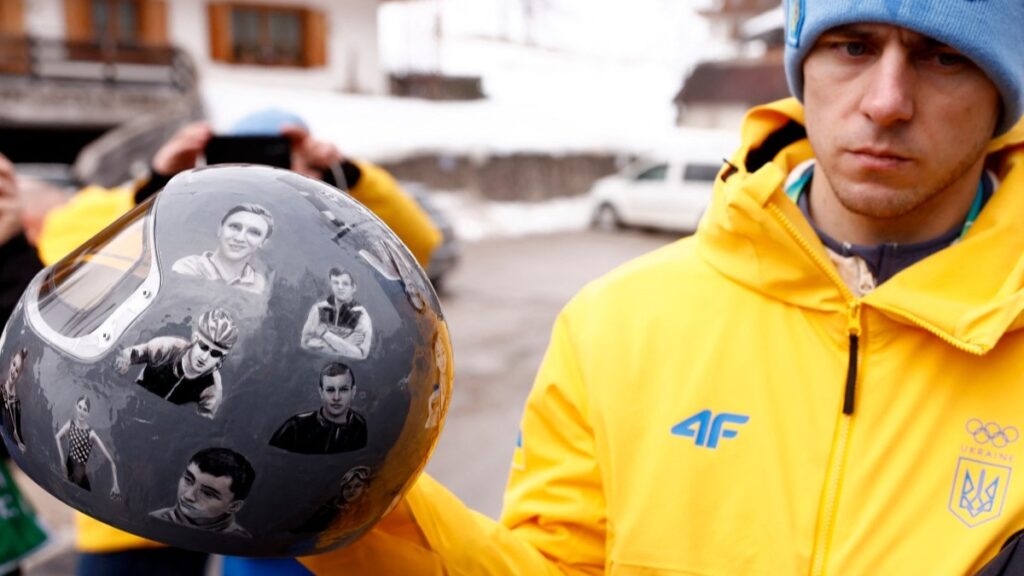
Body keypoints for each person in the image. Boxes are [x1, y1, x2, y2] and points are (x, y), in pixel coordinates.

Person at [297, 2, 1024, 575]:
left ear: (1004, 90)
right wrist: (340, 496)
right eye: (854, 46)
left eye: (945, 55)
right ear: (804, 63)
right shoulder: (617, 323)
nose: (887, 101)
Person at [37, 110, 443, 576]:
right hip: (133, 494)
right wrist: (160, 181)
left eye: (278, 155)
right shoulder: (184, 209)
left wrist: (344, 179)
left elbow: (419, 246)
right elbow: (65, 241)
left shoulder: (319, 237)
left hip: (260, 479)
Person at [113, 308, 238, 420]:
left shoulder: (212, 390)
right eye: (203, 346)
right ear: (194, 339)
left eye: (215, 353)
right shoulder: (167, 348)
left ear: (221, 360)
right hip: (132, 406)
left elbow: (202, 425)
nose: (205, 357)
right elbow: (130, 353)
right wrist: (124, 361)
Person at [149, 447, 255, 537]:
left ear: (234, 506)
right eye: (188, 480)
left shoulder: (239, 541)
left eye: (207, 493)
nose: (188, 496)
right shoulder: (153, 521)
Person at [172, 203, 274, 295]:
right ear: (220, 229)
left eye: (254, 232)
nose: (240, 238)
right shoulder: (188, 267)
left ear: (263, 243)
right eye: (235, 226)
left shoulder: (259, 284)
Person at [269, 362, 367, 455]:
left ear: (353, 392)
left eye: (343, 390)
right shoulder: (295, 427)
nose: (336, 397)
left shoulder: (359, 426)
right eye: (330, 390)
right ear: (321, 392)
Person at [299, 267, 373, 360]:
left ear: (353, 288)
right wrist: (345, 342)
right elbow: (305, 343)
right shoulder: (318, 309)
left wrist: (326, 335)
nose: (340, 287)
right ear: (331, 284)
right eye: (336, 282)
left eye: (345, 284)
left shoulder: (361, 315)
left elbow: (361, 354)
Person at [54, 396, 120, 499]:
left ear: (88, 414)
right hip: (67, 472)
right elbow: (57, 437)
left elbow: (111, 461)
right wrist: (62, 460)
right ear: (76, 406)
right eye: (80, 407)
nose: (81, 411)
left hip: (81, 480)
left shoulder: (91, 434)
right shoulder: (70, 424)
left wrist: (115, 484)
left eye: (85, 409)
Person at [1, 349, 27, 453]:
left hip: (12, 446)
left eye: (17, 371)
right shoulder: (1, 392)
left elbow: (17, 429)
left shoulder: (17, 402)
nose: (13, 371)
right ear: (10, 363)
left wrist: (20, 443)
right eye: (13, 364)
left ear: (20, 375)